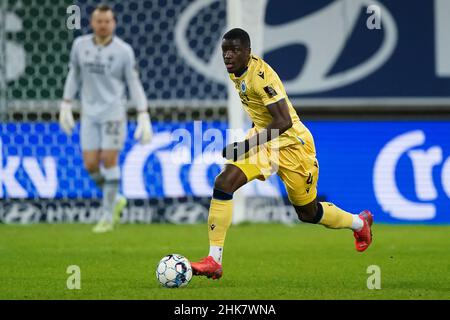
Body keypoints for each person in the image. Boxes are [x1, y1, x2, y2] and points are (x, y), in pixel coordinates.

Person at [191, 28, 373, 279]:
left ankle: (359, 223)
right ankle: (214, 260)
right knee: (224, 183)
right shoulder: (238, 72)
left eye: (234, 50)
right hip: (264, 141)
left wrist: (244, 146)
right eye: (225, 50)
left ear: (248, 52)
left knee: (307, 213)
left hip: (293, 146)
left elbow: (284, 120)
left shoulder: (261, 78)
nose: (228, 56)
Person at [59, 4, 152, 233]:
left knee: (109, 159)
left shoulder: (124, 51)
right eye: (99, 21)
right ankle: (117, 198)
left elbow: (133, 83)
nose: (103, 25)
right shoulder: (79, 46)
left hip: (114, 113)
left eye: (107, 21)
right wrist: (66, 104)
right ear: (92, 23)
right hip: (89, 113)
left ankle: (107, 216)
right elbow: (74, 74)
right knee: (90, 164)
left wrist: (143, 113)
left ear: (114, 23)